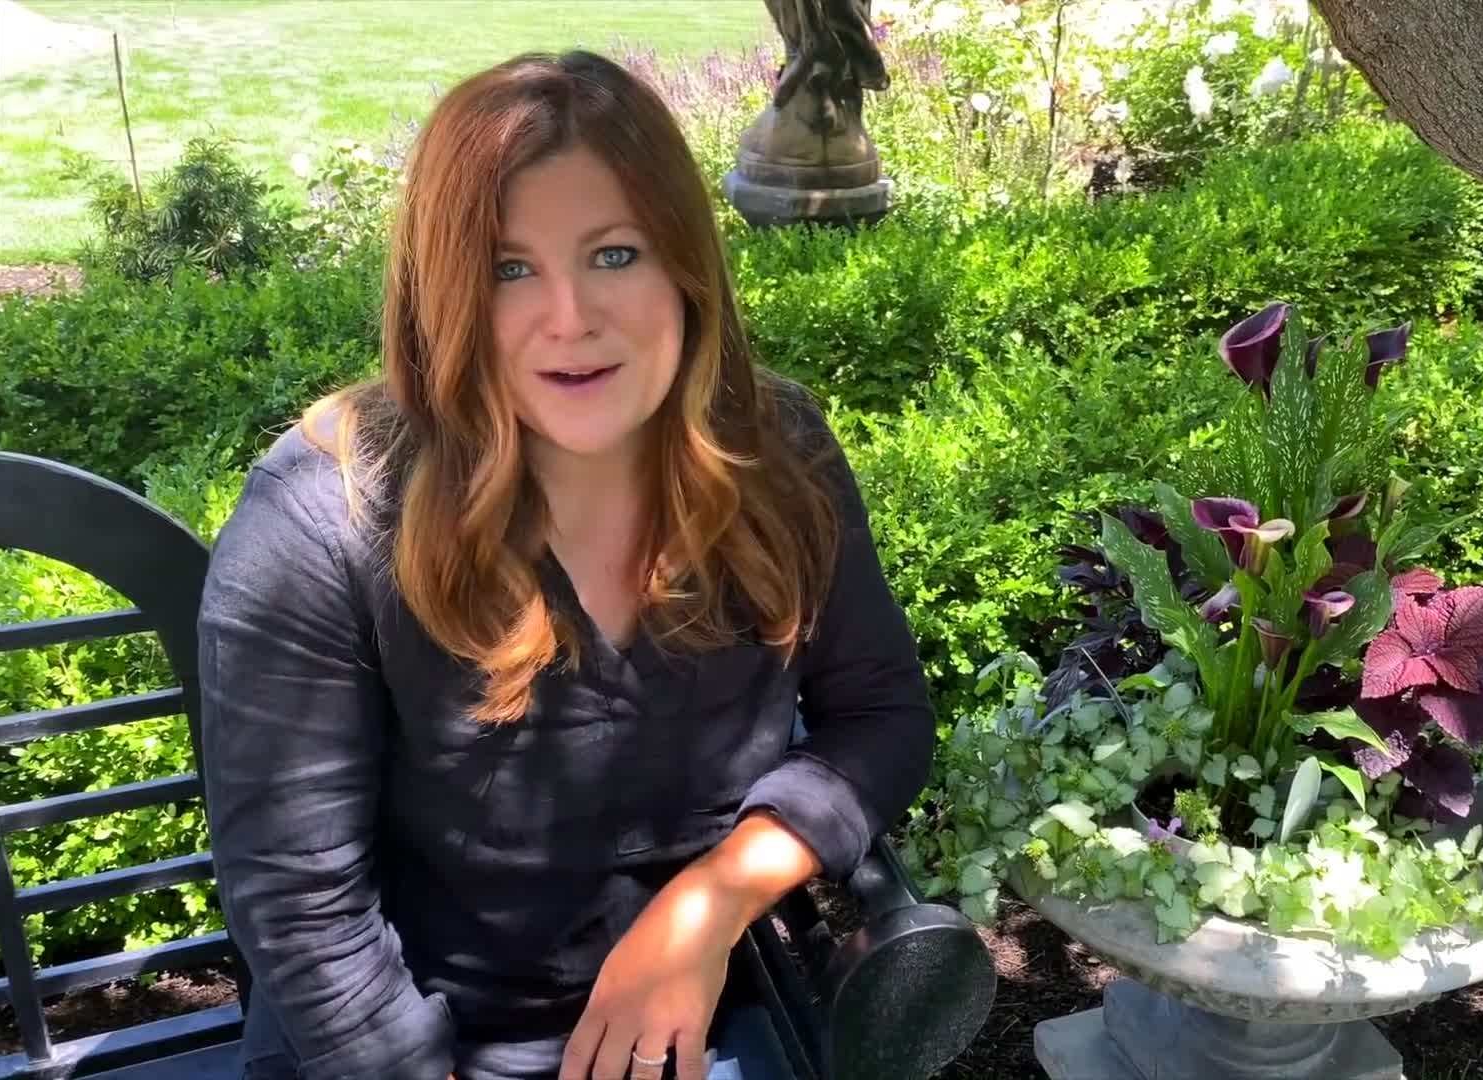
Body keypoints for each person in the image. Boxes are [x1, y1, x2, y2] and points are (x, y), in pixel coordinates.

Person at [196, 49, 935, 1080]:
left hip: (706, 1025)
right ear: (443, 294)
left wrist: (708, 905)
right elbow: (303, 905)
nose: (571, 317)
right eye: (509, 268)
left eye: (615, 253)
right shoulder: (327, 522)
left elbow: (883, 717)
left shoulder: (779, 457)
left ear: (684, 265)